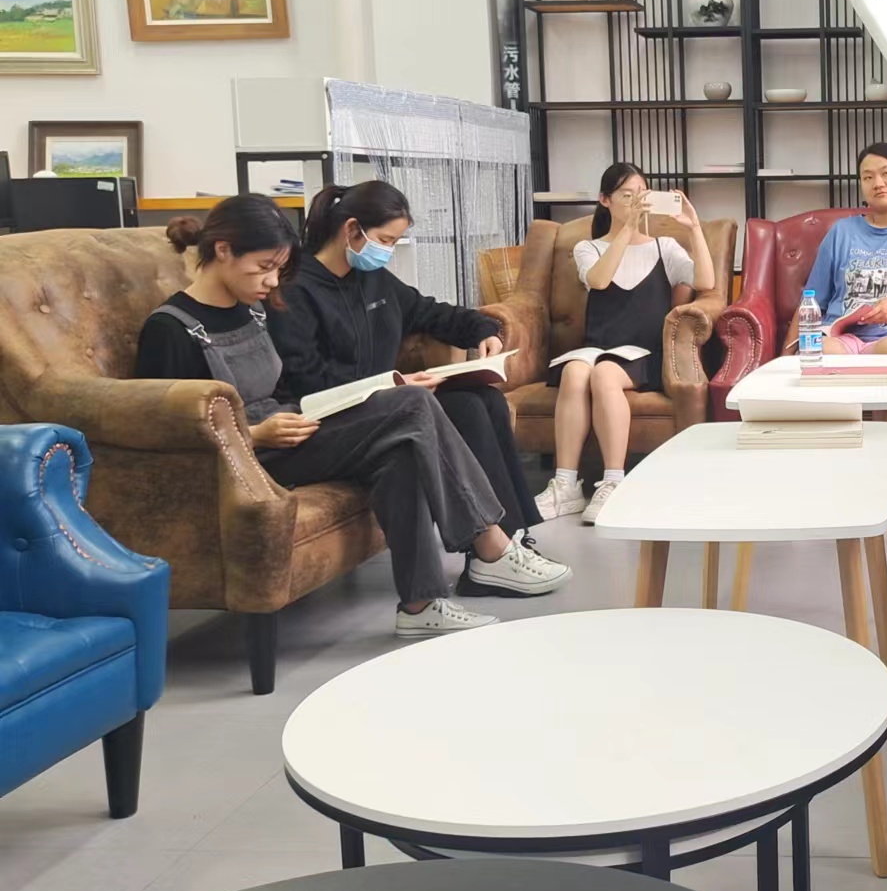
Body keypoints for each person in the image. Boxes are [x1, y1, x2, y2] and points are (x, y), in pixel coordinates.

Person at [135, 196, 570, 638]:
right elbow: (166, 434)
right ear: (223, 250)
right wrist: (256, 433)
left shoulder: (253, 309)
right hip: (250, 456)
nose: (272, 281)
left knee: (401, 452)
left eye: (278, 269)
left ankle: (420, 605)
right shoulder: (169, 329)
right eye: (264, 267)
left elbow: (284, 389)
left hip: (293, 429)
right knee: (413, 404)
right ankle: (491, 545)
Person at [269, 181, 564, 591]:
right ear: (351, 230)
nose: (388, 251)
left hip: (386, 402)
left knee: (481, 400)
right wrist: (392, 385)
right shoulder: (296, 290)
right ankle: (490, 552)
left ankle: (509, 540)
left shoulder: (374, 280)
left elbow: (431, 313)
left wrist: (483, 329)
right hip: (332, 416)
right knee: (451, 407)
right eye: (386, 240)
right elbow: (309, 382)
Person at [533, 163, 717, 524]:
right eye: (626, 195)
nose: (635, 202)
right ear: (605, 200)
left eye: (640, 194)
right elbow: (600, 281)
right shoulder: (587, 248)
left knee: (604, 374)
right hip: (598, 346)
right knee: (574, 372)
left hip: (644, 352)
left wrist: (694, 228)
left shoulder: (664, 247)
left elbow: (705, 281)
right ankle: (566, 485)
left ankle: (614, 482)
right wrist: (627, 229)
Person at [788, 142, 887, 356]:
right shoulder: (842, 231)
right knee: (822, 351)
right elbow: (811, 300)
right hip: (839, 338)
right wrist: (784, 357)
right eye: (868, 177)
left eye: (886, 173)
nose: (878, 183)